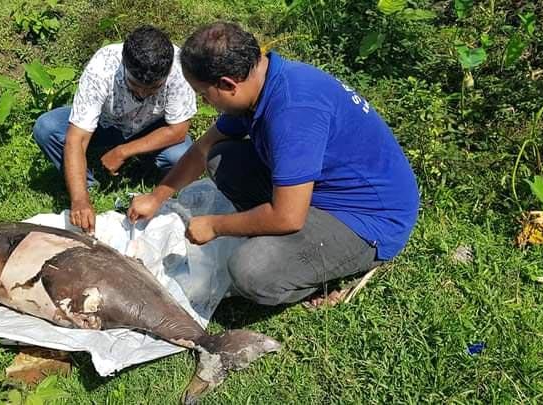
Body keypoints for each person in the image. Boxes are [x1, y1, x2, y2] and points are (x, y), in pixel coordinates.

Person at [127, 22, 419, 307]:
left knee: (252, 269)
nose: (206, 102)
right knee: (220, 157)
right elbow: (203, 148)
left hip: (366, 219)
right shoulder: (260, 83)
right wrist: (157, 196)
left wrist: (215, 226)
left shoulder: (293, 111)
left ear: (228, 84)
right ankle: (277, 238)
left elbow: (288, 217)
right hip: (317, 191)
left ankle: (313, 277)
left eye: (204, 95)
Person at [33, 25, 197, 234]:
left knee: (180, 154)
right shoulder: (102, 67)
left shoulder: (179, 70)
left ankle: (151, 175)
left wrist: (123, 151)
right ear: (123, 65)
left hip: (151, 127)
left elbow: (178, 130)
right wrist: (80, 199)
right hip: (106, 123)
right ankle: (88, 185)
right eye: (134, 85)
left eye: (153, 88)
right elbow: (77, 139)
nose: (142, 94)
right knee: (47, 128)